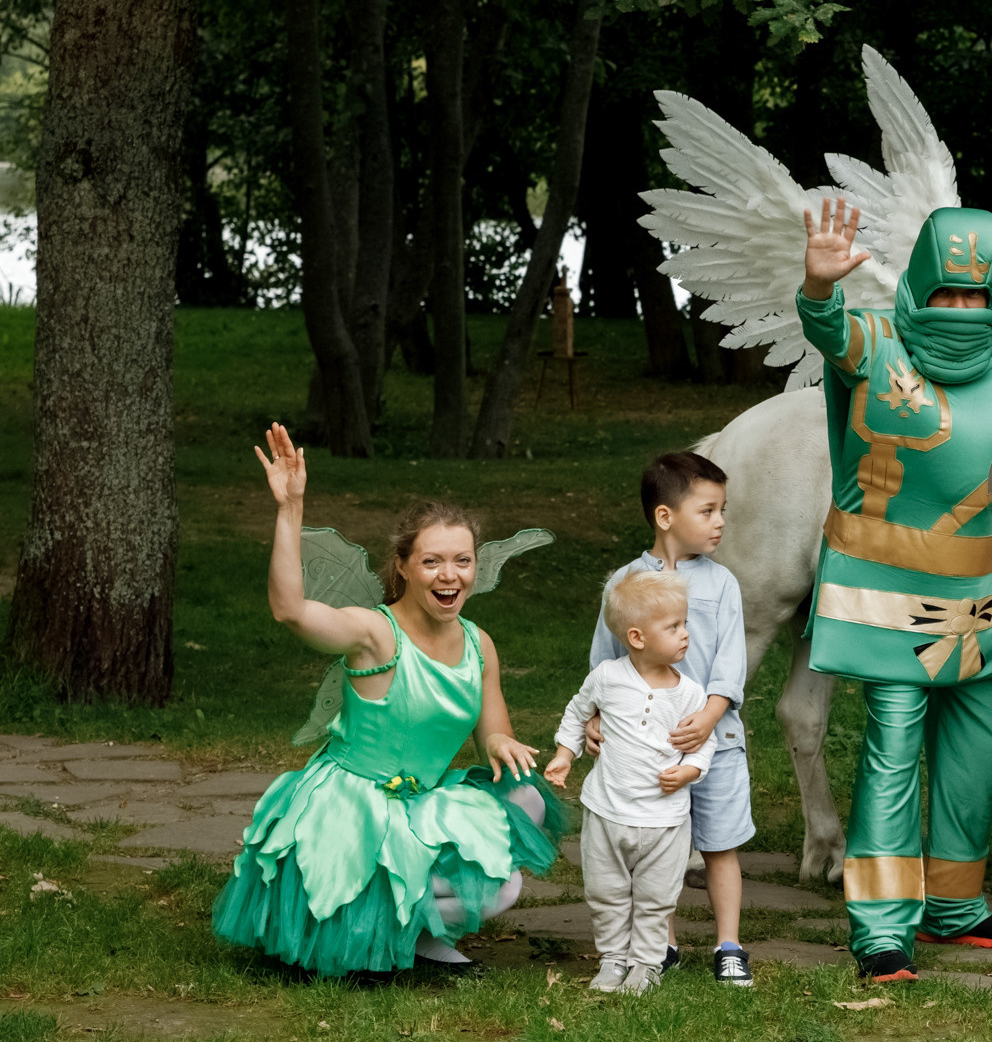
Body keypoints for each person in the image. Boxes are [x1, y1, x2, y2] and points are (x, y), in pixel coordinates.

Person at [799, 197, 992, 982]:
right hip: (890, 598)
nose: (958, 312)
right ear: (919, 292)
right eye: (944, 296)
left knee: (980, 756)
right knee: (892, 755)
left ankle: (954, 906)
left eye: (971, 296)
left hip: (991, 599)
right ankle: (880, 926)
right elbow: (831, 330)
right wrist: (819, 288)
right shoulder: (877, 343)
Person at [213, 425, 560, 977]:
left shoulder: (478, 644)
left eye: (463, 561)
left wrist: (501, 742)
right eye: (432, 562)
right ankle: (376, 925)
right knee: (459, 877)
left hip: (418, 804)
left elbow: (492, 731)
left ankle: (414, 931)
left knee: (526, 811)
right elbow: (291, 611)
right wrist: (289, 509)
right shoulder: (375, 634)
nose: (450, 575)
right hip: (354, 812)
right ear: (402, 566)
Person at [584, 451, 756, 987]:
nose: (720, 521)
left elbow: (732, 660)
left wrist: (709, 716)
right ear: (666, 516)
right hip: (645, 750)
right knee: (660, 844)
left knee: (720, 843)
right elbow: (604, 660)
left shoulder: (724, 584)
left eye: (722, 509)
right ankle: (663, 944)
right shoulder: (626, 583)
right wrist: (594, 717)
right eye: (707, 511)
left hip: (716, 740)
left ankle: (729, 944)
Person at [548, 568, 718, 996]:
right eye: (673, 626)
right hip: (607, 811)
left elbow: (704, 744)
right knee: (605, 892)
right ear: (638, 637)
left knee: (656, 898)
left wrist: (690, 770)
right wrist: (564, 755)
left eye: (685, 624)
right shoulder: (607, 677)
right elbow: (576, 713)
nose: (685, 634)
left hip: (665, 820)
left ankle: (646, 964)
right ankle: (611, 959)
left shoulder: (691, 694)